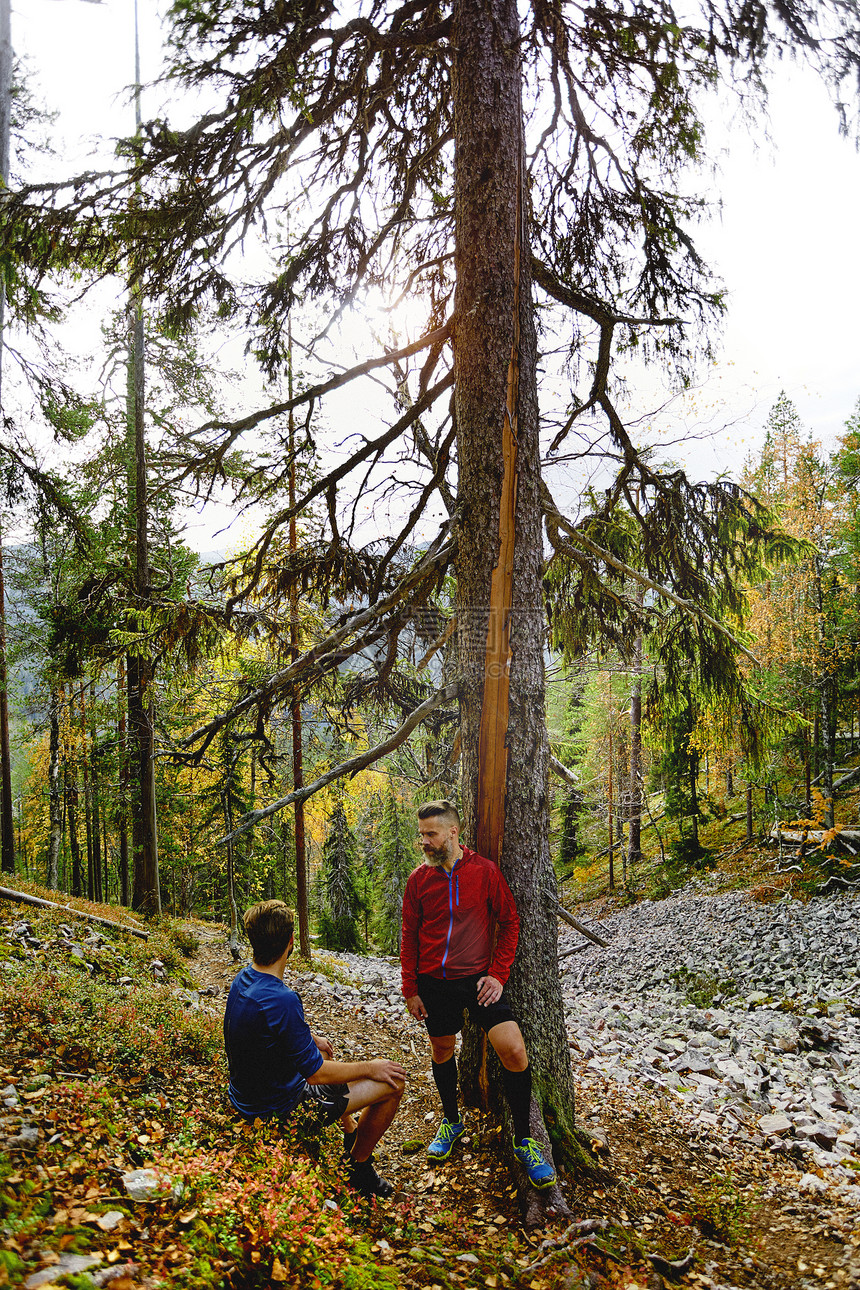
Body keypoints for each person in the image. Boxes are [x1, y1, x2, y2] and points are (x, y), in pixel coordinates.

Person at [400, 800, 557, 1190]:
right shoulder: (418, 881)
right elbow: (408, 936)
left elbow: (510, 921)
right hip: (435, 982)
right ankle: (452, 1122)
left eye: (430, 834)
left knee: (514, 1050)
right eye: (421, 835)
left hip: (478, 982)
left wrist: (498, 975)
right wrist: (411, 989)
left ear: (453, 833)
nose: (424, 842)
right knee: (442, 1051)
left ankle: (524, 1140)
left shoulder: (485, 872)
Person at [224, 899, 406, 1198]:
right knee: (393, 1081)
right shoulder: (282, 998)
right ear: (290, 942)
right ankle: (359, 1167)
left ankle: (350, 1133)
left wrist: (311, 1040)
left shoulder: (243, 979)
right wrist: (371, 1067)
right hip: (277, 1110)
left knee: (321, 1050)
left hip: (246, 1096)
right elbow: (317, 1075)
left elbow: (265, 1035)